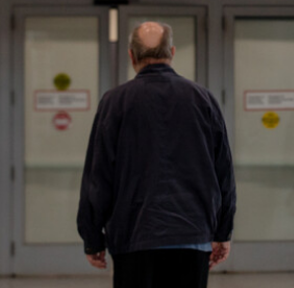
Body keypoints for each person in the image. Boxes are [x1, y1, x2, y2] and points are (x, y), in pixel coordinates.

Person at [77, 21, 235, 288]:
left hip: (133, 238)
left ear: (131, 56)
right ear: (171, 52)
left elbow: (98, 176)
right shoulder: (202, 99)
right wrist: (223, 230)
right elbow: (223, 172)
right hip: (192, 234)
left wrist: (93, 237)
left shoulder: (114, 102)